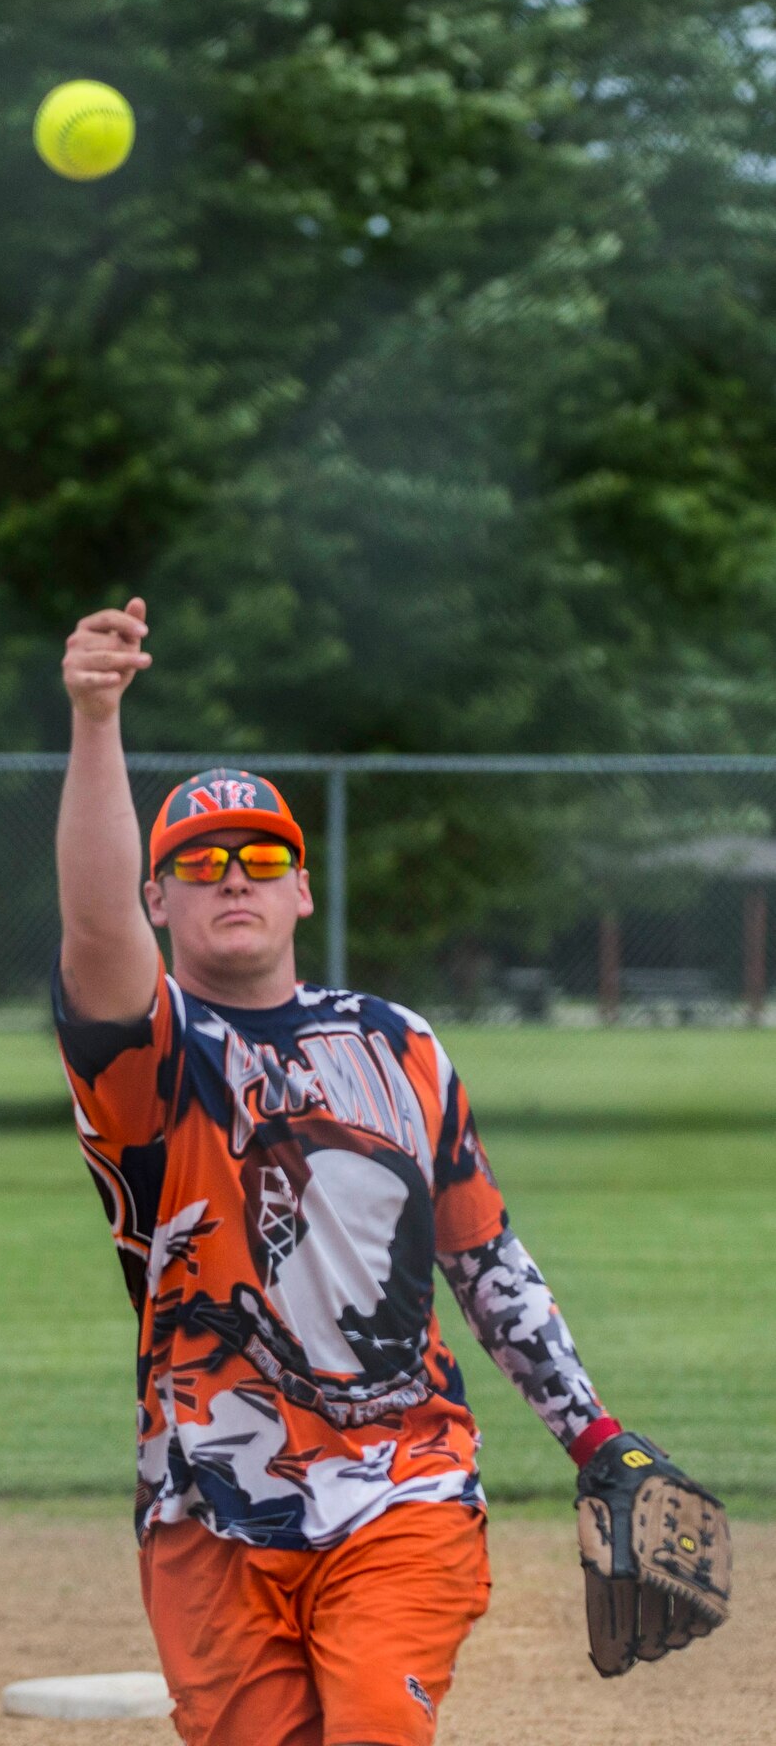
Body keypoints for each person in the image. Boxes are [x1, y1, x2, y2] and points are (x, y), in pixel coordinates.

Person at [53, 597, 725, 1746]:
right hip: (209, 1503)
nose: (233, 876)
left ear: (302, 889)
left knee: (372, 1720)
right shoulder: (151, 1060)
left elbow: (483, 1256)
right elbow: (93, 931)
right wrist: (96, 718)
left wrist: (596, 1434)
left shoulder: (399, 1043)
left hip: (400, 1480)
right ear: (157, 898)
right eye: (198, 863)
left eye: (261, 857)